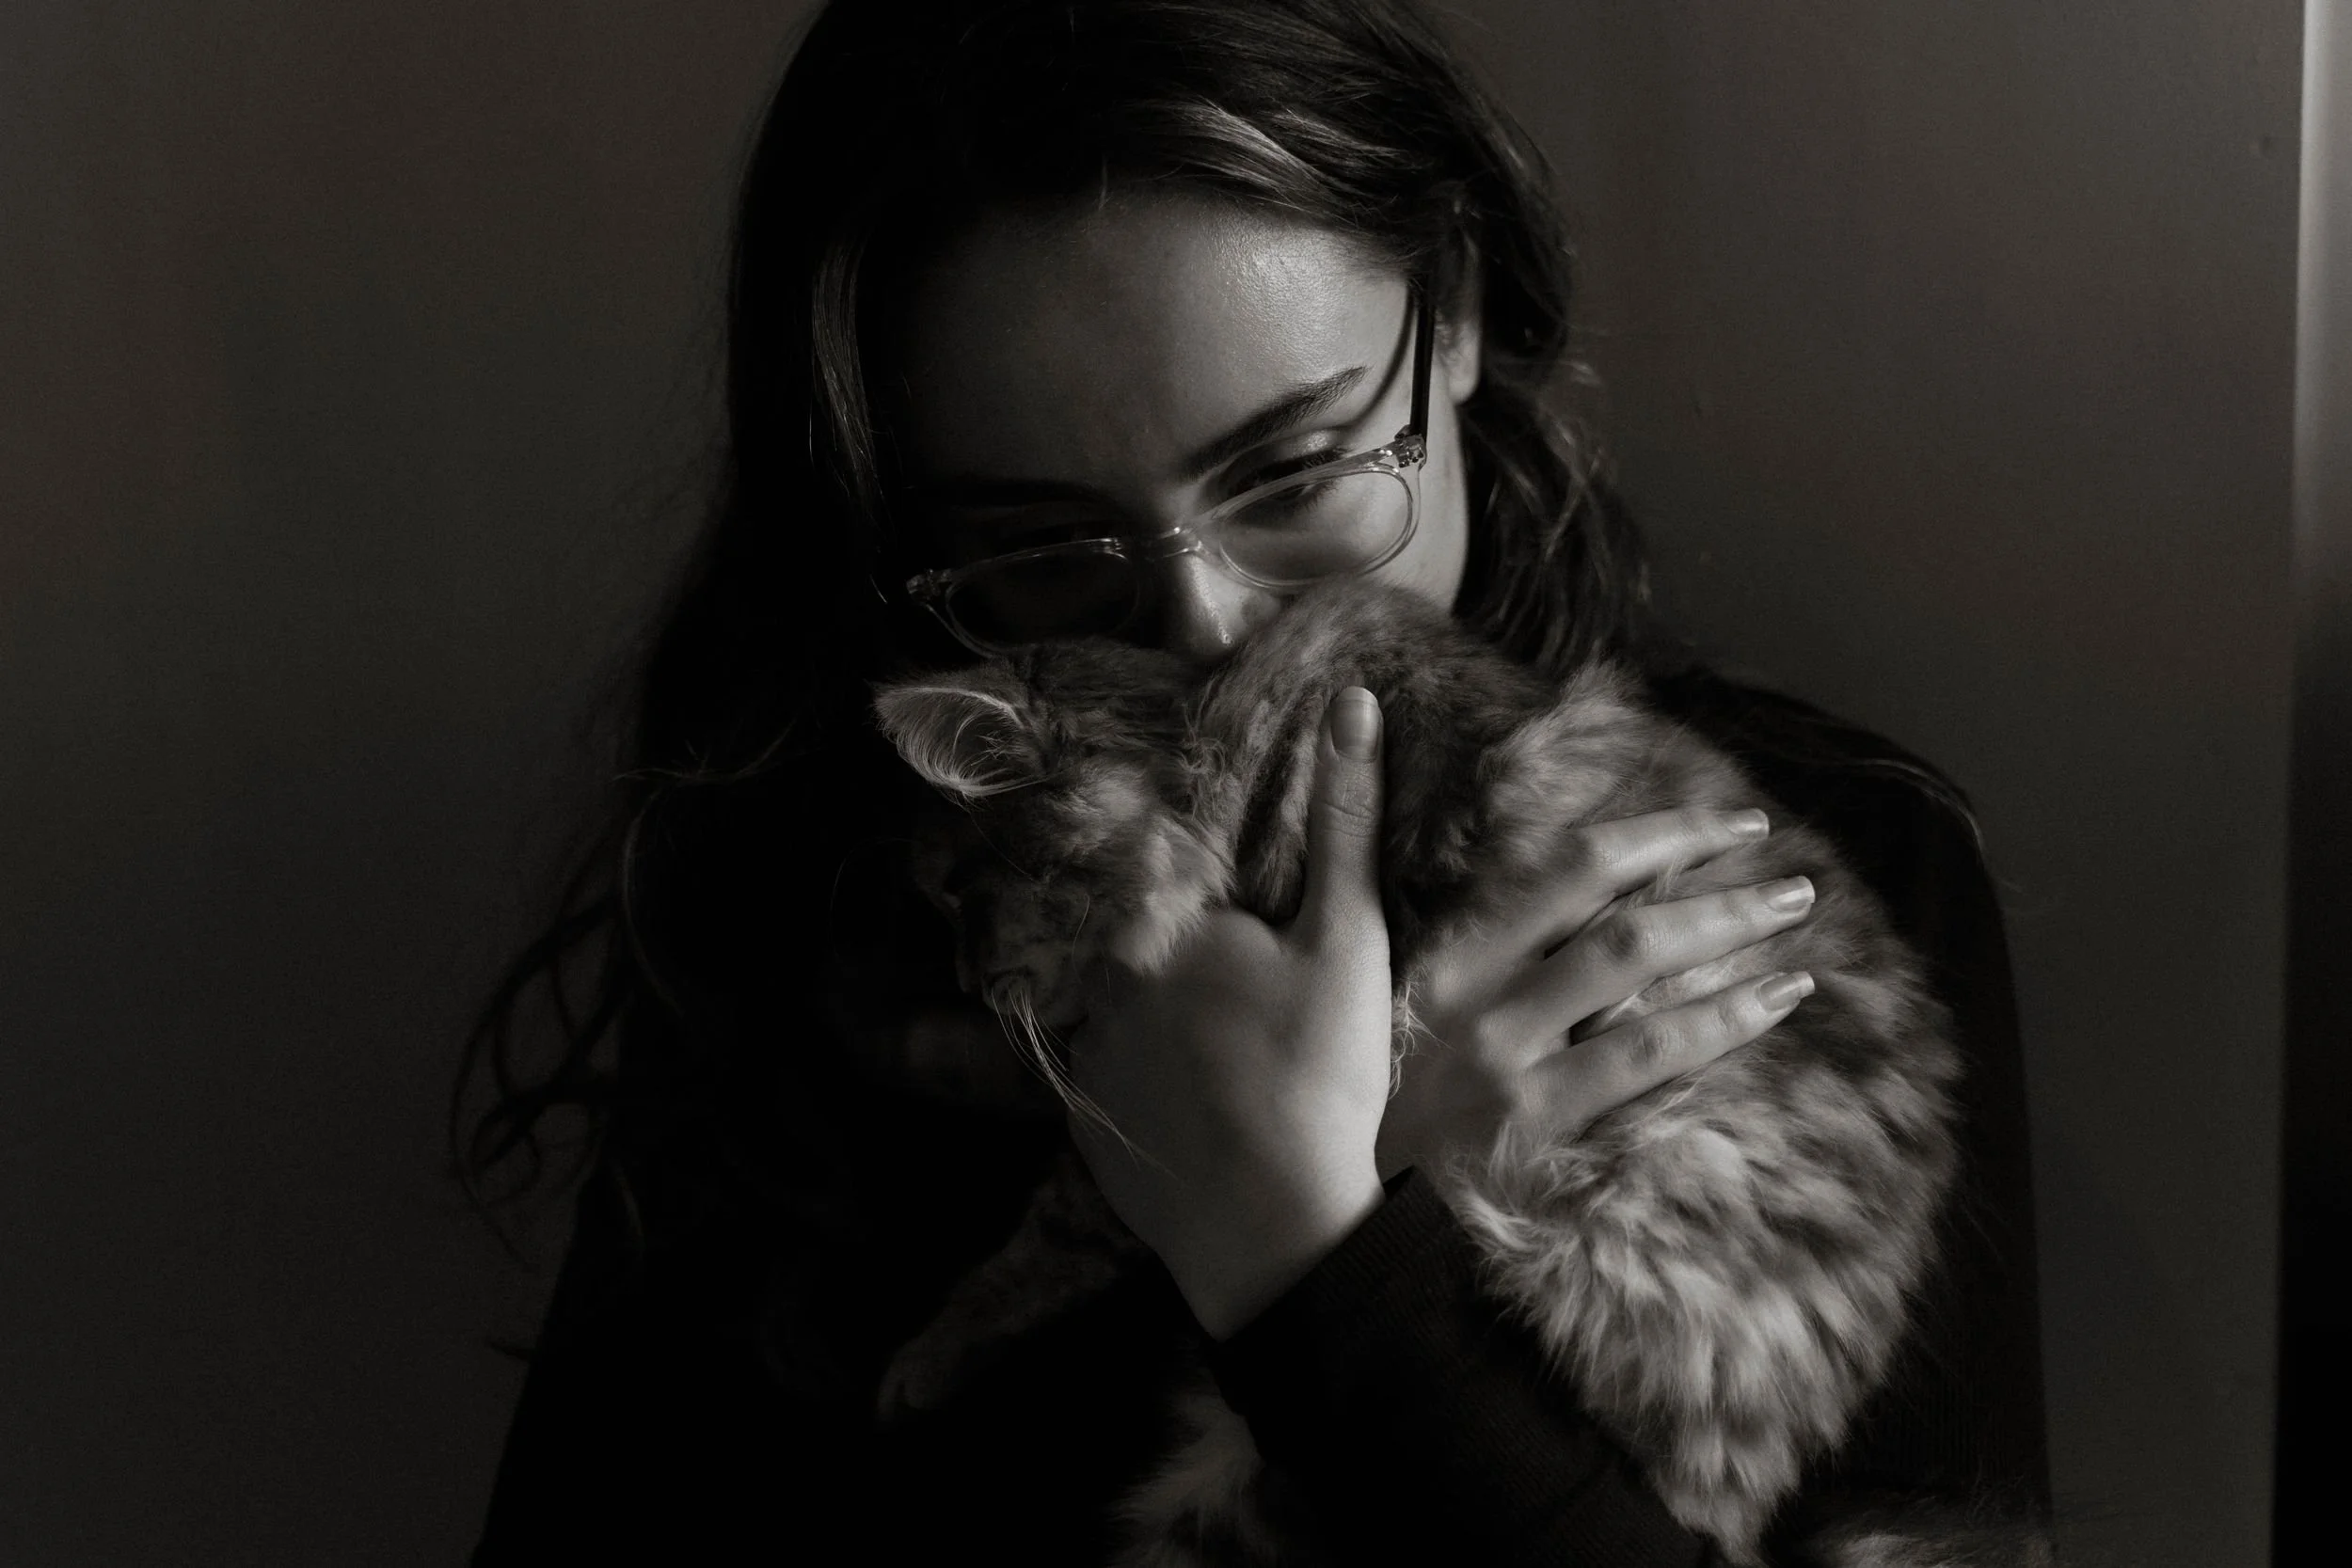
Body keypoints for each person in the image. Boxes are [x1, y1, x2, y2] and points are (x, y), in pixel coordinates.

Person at [459, 1, 2052, 1560]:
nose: (1208, 631)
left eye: (1295, 475)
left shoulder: (1815, 873)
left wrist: (1334, 1281)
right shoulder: (828, 925)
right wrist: (1205, 1245)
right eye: (1038, 551)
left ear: (1459, 311)